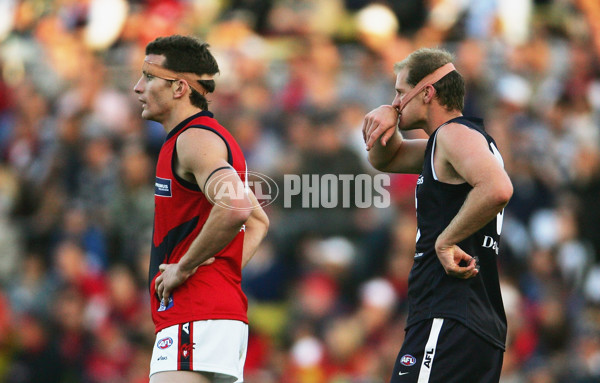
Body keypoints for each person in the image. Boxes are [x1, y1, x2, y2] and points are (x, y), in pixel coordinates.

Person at [362, 48, 513, 383]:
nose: (396, 102)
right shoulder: (457, 141)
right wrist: (388, 115)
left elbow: (498, 189)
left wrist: (446, 241)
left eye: (400, 93)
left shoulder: (452, 134)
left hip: (448, 311)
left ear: (427, 92)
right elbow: (386, 158)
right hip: (471, 318)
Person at [133, 35, 269, 383]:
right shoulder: (206, 137)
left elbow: (237, 208)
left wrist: (186, 267)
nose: (138, 87)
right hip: (212, 317)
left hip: (195, 317)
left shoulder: (194, 140)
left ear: (179, 87)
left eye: (148, 77)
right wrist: (217, 270)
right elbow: (257, 221)